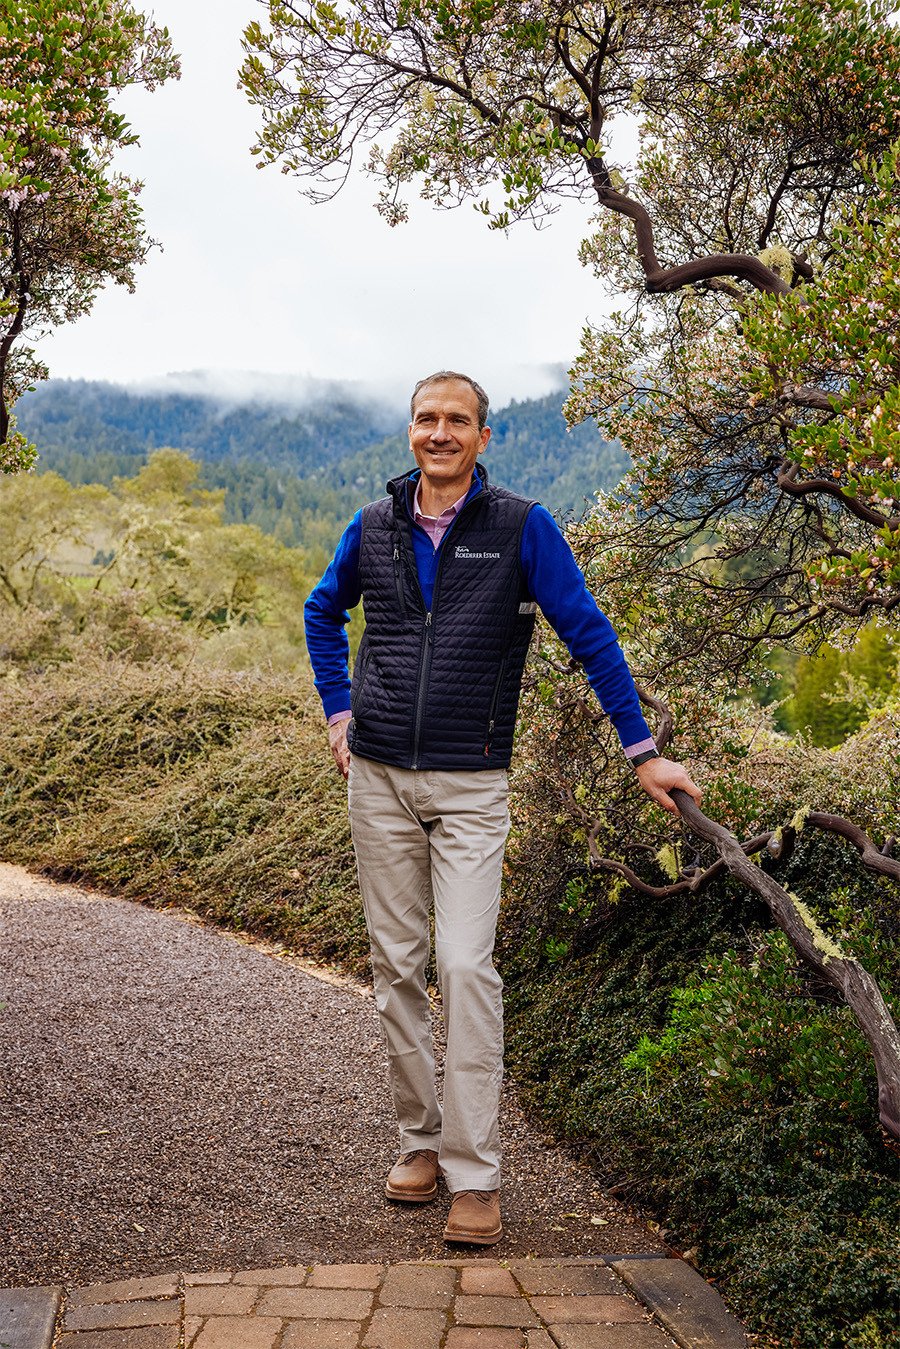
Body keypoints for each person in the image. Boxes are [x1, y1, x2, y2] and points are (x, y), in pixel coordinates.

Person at [304, 370, 701, 1246]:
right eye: (425, 418)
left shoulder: (522, 527)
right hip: (376, 780)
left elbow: (588, 631)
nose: (438, 432)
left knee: (463, 967)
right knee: (396, 967)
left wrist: (642, 751)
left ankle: (475, 1174)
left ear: (484, 437)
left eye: (457, 420)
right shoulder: (373, 526)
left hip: (472, 784)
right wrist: (339, 710)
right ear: (409, 431)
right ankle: (419, 1144)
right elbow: (321, 611)